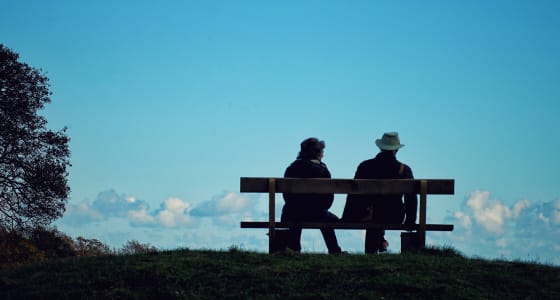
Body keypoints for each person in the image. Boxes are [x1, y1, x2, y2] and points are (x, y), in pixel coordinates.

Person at [342, 132, 417, 254]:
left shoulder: (365, 166)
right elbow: (411, 197)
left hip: (368, 214)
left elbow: (353, 193)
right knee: (383, 210)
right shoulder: (404, 170)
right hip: (395, 215)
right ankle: (380, 241)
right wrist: (411, 220)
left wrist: (347, 216)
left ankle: (373, 249)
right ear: (396, 149)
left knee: (376, 214)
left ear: (381, 147)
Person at [281, 137, 343, 254]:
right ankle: (334, 249)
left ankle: (294, 247)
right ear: (317, 153)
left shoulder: (291, 169)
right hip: (316, 213)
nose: (323, 155)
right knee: (328, 217)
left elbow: (287, 197)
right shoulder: (322, 171)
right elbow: (328, 200)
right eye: (322, 152)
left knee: (296, 209)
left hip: (291, 213)